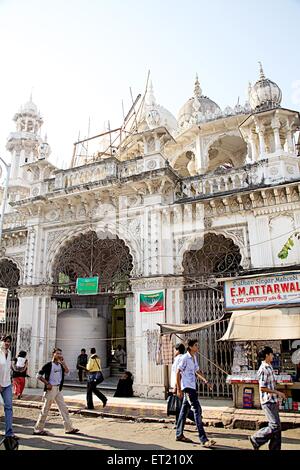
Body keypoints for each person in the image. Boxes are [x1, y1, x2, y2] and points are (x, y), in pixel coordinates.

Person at [176, 338, 216, 448]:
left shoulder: (194, 358)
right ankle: (203, 439)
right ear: (190, 347)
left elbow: (196, 371)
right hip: (188, 388)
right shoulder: (184, 358)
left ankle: (179, 434)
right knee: (197, 410)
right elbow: (178, 373)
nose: (198, 347)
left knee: (184, 411)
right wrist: (179, 389)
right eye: (196, 345)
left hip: (192, 387)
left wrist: (205, 381)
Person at [33, 347, 79, 436]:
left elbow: (67, 372)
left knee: (64, 409)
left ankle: (69, 428)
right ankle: (38, 429)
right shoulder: (48, 365)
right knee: (45, 409)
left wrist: (63, 362)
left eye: (60, 354)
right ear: (53, 354)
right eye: (57, 353)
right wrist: (47, 383)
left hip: (58, 389)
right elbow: (38, 375)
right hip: (51, 390)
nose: (59, 355)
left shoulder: (61, 365)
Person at [249, 346, 286, 451]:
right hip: (267, 401)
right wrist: (277, 392)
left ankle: (275, 448)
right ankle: (256, 438)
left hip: (273, 400)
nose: (273, 356)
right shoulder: (263, 369)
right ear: (267, 355)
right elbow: (263, 387)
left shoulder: (269, 366)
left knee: (277, 427)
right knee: (275, 426)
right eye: (271, 354)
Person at [171, 343, 194, 426]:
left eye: (174, 350)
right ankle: (178, 423)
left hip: (180, 386)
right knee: (179, 406)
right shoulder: (181, 358)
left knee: (182, 406)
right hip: (181, 385)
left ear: (177, 350)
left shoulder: (179, 359)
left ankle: (196, 418)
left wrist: (177, 387)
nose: (173, 352)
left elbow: (179, 374)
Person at [0, 335, 18, 439]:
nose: (7, 343)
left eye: (9, 341)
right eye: (5, 341)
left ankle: (9, 432)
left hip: (6, 384)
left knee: (9, 407)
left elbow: (7, 368)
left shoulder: (10, 352)